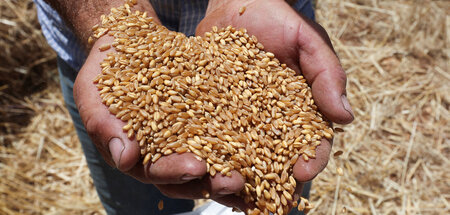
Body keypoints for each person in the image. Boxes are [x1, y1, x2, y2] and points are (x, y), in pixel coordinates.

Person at [35, 0, 354, 214]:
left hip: (270, 21)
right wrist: (113, 20)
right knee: (136, 205)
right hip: (98, 35)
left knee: (278, 189)